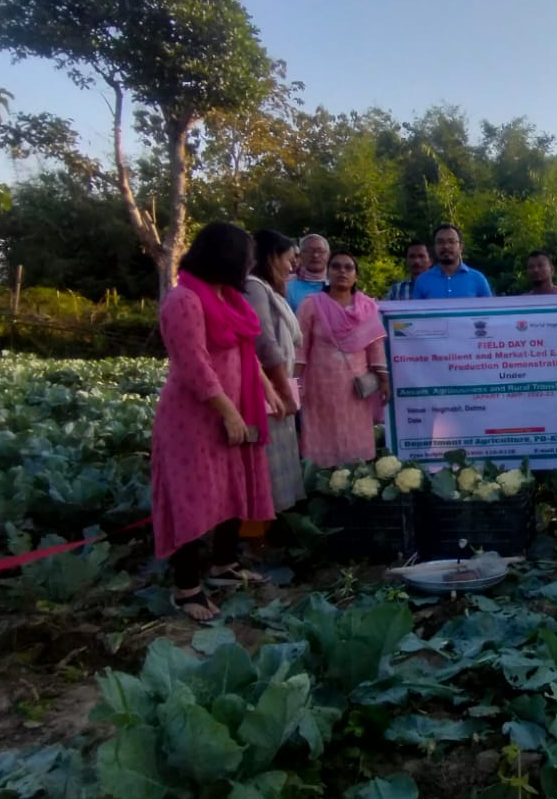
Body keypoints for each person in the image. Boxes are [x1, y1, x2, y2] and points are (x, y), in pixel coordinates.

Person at [151, 222, 277, 620]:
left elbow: (245, 353)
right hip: (196, 417)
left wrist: (268, 390)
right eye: (247, 258)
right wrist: (228, 410)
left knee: (234, 486)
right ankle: (186, 587)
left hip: (236, 410)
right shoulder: (184, 299)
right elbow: (194, 365)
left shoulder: (230, 300)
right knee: (193, 496)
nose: (251, 265)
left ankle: (225, 564)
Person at [297, 250, 390, 466]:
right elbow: (299, 349)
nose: (342, 271)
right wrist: (293, 385)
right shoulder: (311, 304)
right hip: (319, 388)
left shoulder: (366, 307)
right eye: (336, 266)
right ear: (327, 273)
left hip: (356, 388)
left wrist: (384, 381)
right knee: (321, 437)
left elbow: (375, 348)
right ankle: (320, 482)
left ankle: (354, 483)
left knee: (355, 437)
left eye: (348, 267)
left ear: (356, 276)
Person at [244, 229, 308, 518]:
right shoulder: (254, 286)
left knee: (277, 473)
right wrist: (281, 389)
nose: (293, 265)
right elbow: (263, 341)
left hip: (278, 386)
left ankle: (268, 540)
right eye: (289, 258)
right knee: (263, 474)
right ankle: (256, 544)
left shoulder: (268, 289)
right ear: (272, 257)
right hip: (265, 390)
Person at [413, 224, 494, 299]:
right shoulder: (422, 281)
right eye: (440, 242)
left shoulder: (478, 279)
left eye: (451, 242)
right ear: (434, 247)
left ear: (461, 247)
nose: (446, 246)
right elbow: (416, 313)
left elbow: (489, 312)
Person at [286, 234, 331, 312]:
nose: (315, 255)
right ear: (300, 255)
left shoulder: (338, 283)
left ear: (329, 255)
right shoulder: (287, 287)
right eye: (308, 251)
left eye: (320, 251)